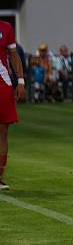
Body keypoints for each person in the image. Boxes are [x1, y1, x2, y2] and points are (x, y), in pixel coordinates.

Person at [0, 19, 26, 190]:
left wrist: (21, 81)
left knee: (3, 130)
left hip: (3, 83)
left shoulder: (6, 27)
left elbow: (13, 54)